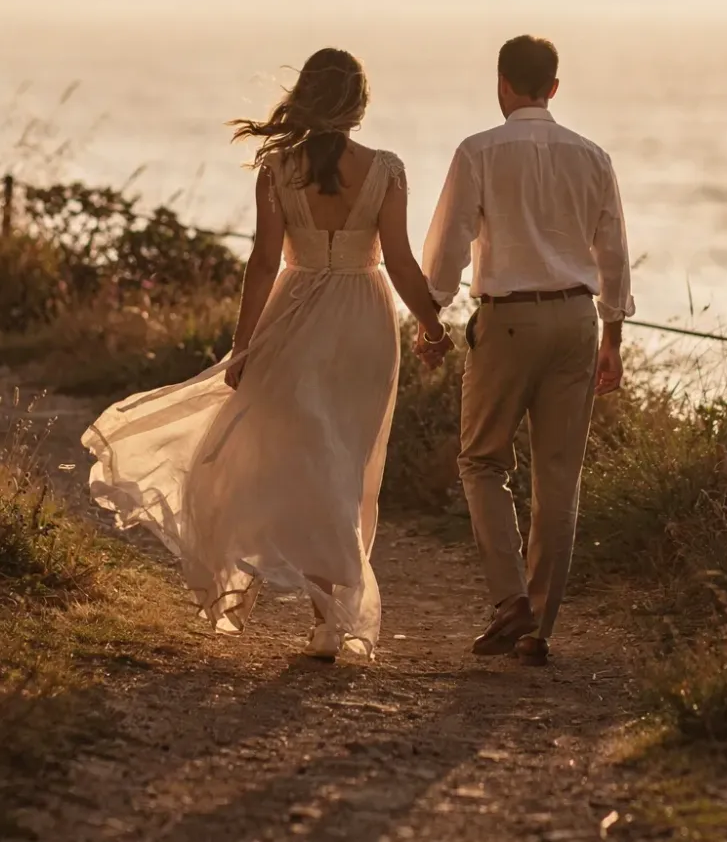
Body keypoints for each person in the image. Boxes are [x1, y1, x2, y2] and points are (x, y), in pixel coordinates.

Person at [81, 48, 446, 661]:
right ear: (358, 106)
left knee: (296, 455)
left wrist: (242, 343)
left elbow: (262, 261)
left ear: (306, 97)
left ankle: (317, 603)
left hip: (296, 309)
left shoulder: (278, 168)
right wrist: (434, 323)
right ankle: (330, 615)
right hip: (365, 318)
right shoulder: (388, 170)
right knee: (346, 464)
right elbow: (403, 261)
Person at [418, 34, 631, 667]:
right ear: (554, 88)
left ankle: (511, 600)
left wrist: (432, 318)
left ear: (503, 84)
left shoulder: (479, 150)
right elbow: (613, 252)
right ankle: (539, 629)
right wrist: (613, 334)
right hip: (575, 320)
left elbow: (450, 243)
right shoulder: (593, 157)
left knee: (483, 462)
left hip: (508, 321)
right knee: (558, 479)